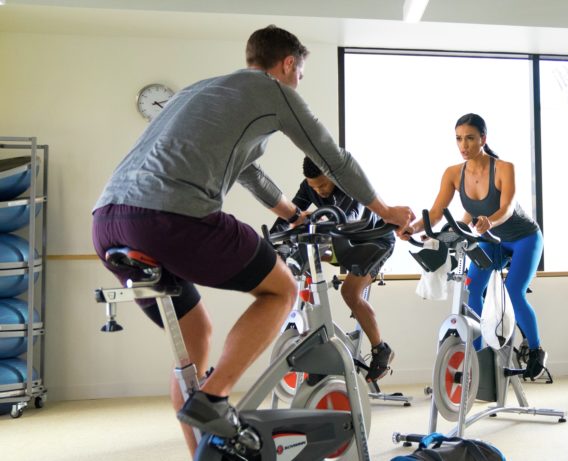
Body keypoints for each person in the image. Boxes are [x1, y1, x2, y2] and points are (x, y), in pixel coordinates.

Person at [91, 25, 414, 456]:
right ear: (287, 64)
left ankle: (204, 448)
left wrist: (293, 215)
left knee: (195, 336)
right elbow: (333, 159)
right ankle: (213, 397)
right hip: (170, 215)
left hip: (108, 222)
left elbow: (249, 173)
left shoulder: (203, 92)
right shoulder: (272, 91)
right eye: (299, 74)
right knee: (282, 289)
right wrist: (386, 211)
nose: (298, 83)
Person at [402, 113, 548, 379]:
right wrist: (413, 228)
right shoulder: (453, 174)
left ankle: (536, 350)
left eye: (470, 138)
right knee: (473, 290)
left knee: (513, 290)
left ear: (483, 139)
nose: (464, 145)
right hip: (491, 240)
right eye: (459, 139)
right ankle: (481, 353)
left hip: (524, 237)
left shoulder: (504, 168)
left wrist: (488, 222)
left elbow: (506, 209)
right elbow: (436, 213)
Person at [270, 157, 396, 381]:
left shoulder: (350, 185)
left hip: (373, 239)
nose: (319, 190)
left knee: (349, 292)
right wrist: (275, 241)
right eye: (314, 186)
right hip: (343, 240)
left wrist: (309, 217)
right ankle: (318, 340)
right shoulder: (309, 185)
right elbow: (289, 214)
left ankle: (380, 348)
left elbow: (348, 220)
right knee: (305, 256)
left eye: (323, 185)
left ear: (333, 175)